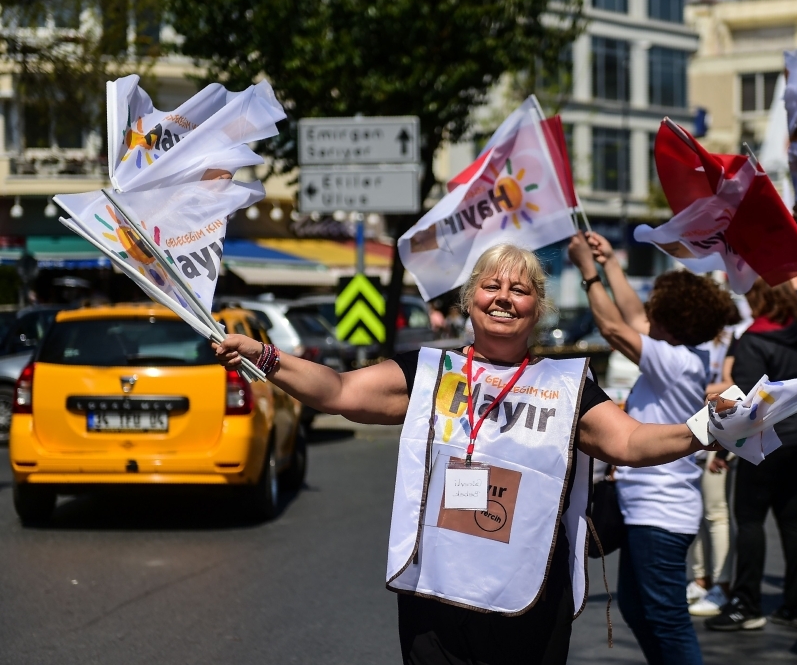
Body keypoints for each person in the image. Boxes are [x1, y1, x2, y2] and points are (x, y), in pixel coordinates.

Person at [215, 243, 728, 665]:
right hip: (437, 594)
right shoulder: (429, 371)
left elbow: (631, 442)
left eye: (520, 289)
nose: (504, 297)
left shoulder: (566, 385)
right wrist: (264, 355)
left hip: (530, 599)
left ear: (537, 307)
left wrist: (708, 428)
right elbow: (338, 391)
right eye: (491, 285)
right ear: (469, 299)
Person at [568, 231, 734, 664]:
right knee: (639, 610)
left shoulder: (674, 362)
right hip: (652, 510)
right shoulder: (682, 354)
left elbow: (614, 328)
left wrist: (589, 271)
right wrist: (612, 264)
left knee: (667, 620)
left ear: (671, 322)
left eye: (656, 312)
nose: (648, 316)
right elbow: (634, 318)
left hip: (659, 513)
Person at [706, 279, 797, 632]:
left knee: (749, 519)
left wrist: (726, 450)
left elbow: (747, 406)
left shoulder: (754, 340)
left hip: (768, 442)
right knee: (793, 520)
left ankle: (747, 603)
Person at [688, 302, 747, 617]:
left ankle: (722, 585)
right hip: (690, 435)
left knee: (716, 513)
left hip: (719, 434)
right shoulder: (688, 341)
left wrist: (693, 390)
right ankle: (701, 579)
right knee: (696, 514)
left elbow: (734, 386)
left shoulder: (733, 340)